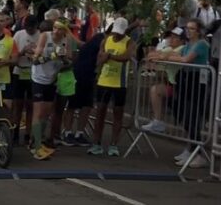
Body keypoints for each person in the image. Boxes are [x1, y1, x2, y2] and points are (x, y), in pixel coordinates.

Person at [147, 19, 210, 168]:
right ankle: (191, 148)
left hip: (196, 82)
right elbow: (176, 56)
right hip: (186, 80)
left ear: (199, 31)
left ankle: (198, 153)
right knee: (185, 115)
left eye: (192, 29)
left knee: (192, 116)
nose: (189, 31)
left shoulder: (201, 44)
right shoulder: (188, 45)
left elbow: (185, 59)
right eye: (188, 28)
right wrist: (170, 57)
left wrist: (172, 57)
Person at [88, 17, 136, 157]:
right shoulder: (106, 40)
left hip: (119, 83)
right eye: (116, 31)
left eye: (120, 32)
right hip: (104, 81)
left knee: (117, 114)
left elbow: (126, 57)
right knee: (100, 112)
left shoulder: (129, 42)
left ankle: (114, 145)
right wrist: (103, 59)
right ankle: (96, 143)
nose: (117, 34)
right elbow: (99, 59)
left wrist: (108, 56)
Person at [29, 18, 74, 160]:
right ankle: (36, 147)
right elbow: (35, 59)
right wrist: (50, 56)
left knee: (46, 114)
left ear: (64, 31)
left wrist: (63, 59)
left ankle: (37, 141)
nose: (56, 31)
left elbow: (70, 62)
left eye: (60, 29)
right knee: (38, 113)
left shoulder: (66, 41)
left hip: (51, 80)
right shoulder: (45, 36)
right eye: (55, 27)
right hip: (38, 79)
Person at [140, 27, 186, 133]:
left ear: (182, 40)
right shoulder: (170, 48)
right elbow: (151, 55)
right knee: (155, 90)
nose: (171, 39)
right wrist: (162, 56)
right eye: (171, 36)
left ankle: (158, 121)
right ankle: (158, 121)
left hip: (180, 85)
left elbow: (164, 55)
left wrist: (162, 56)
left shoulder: (182, 48)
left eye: (175, 37)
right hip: (172, 83)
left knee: (155, 90)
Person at [8, 12, 39, 146]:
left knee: (31, 105)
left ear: (35, 27)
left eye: (31, 28)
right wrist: (22, 51)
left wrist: (35, 52)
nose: (28, 30)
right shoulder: (19, 35)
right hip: (19, 71)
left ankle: (28, 134)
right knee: (17, 104)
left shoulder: (40, 35)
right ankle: (14, 133)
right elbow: (12, 54)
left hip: (33, 72)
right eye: (26, 27)